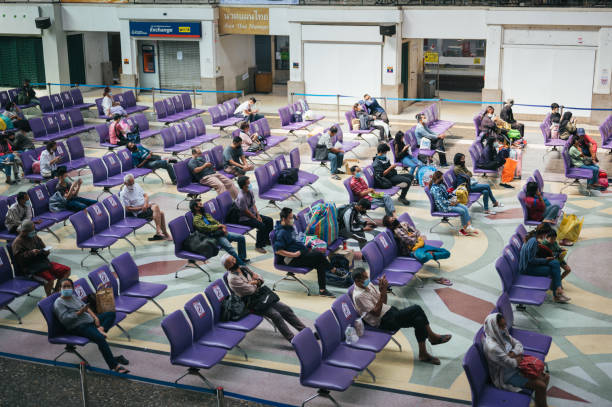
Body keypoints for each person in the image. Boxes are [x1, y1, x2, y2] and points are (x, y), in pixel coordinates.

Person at [352, 268, 451, 365]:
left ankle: (423, 353)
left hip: (389, 312)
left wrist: (384, 290)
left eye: (367, 276)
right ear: (357, 280)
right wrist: (383, 292)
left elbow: (384, 302)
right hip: (383, 321)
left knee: (419, 320)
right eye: (365, 278)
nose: (367, 279)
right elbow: (377, 313)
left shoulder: (368, 285)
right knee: (416, 309)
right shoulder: (359, 296)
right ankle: (432, 337)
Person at [223, 254, 307, 342]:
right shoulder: (232, 279)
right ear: (227, 267)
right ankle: (292, 339)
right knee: (276, 315)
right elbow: (251, 290)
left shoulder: (243, 268)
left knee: (286, 309)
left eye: (233, 259)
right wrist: (256, 282)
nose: (234, 261)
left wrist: (254, 282)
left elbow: (260, 277)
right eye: (230, 262)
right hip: (251, 302)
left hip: (260, 296)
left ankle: (304, 330)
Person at [54, 278, 129, 374]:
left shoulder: (73, 297)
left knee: (111, 314)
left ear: (72, 288)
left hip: (90, 321)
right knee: (100, 338)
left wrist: (95, 317)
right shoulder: (59, 303)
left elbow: (85, 307)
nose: (67, 288)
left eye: (69, 286)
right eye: (64, 286)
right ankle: (114, 365)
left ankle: (100, 329)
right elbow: (64, 319)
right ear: (59, 288)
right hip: (79, 326)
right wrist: (79, 312)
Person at [482, 313, 549, 407]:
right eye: (501, 326)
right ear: (493, 327)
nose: (504, 328)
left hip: (518, 367)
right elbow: (512, 363)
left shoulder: (501, 334)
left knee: (546, 377)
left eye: (504, 324)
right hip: (507, 375)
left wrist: (512, 353)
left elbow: (519, 344)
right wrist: (517, 357)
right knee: (541, 386)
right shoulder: (493, 348)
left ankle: (539, 403)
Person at [273, 207, 335, 297]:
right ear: (284, 219)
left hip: (301, 253)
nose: (292, 219)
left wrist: (294, 216)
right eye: (290, 218)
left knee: (319, 262)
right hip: (292, 259)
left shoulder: (287, 226)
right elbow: (278, 251)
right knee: (319, 254)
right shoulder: (281, 233)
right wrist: (293, 254)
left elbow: (290, 216)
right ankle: (333, 270)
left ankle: (322, 290)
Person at [382, 215, 451, 285]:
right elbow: (410, 241)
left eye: (393, 218)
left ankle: (430, 254)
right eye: (392, 221)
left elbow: (418, 232)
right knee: (423, 257)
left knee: (447, 253)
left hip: (421, 244)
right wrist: (416, 236)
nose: (394, 219)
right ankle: (430, 254)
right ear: (390, 226)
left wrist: (414, 235)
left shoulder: (404, 223)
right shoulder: (397, 231)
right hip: (412, 250)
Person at [12, 220, 71, 296]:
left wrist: (46, 252)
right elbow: (20, 260)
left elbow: (43, 247)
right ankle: (49, 297)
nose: (34, 231)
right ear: (25, 231)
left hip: (43, 263)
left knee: (66, 270)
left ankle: (56, 292)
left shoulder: (35, 237)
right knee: (50, 280)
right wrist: (31, 253)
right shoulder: (17, 243)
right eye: (32, 230)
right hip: (31, 268)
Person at [190, 198, 248, 265]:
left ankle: (242, 258)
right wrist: (219, 226)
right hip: (214, 236)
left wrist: (222, 227)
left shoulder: (206, 214)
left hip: (220, 232)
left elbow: (215, 221)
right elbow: (206, 228)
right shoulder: (196, 220)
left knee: (241, 238)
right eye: (200, 204)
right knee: (231, 249)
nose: (202, 205)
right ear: (196, 207)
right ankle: (241, 265)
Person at [519, 227, 569, 303]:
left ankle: (558, 288)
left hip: (529, 264)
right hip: (527, 268)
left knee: (555, 263)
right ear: (544, 234)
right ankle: (557, 295)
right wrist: (545, 260)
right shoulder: (533, 242)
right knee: (553, 270)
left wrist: (546, 258)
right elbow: (531, 260)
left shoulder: (533, 238)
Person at [120, 174, 171, 241]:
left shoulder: (136, 185)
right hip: (140, 212)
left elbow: (145, 195)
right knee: (157, 208)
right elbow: (128, 208)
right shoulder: (123, 194)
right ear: (125, 183)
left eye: (133, 183)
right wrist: (142, 207)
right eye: (130, 184)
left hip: (146, 207)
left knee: (160, 213)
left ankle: (162, 234)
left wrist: (146, 204)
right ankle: (160, 232)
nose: (132, 185)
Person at [430, 170, 477, 236]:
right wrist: (451, 203)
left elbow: (447, 194)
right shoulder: (435, 189)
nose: (443, 179)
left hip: (448, 203)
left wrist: (455, 198)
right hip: (443, 207)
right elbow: (441, 202)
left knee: (465, 207)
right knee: (462, 211)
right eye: (442, 178)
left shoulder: (440, 185)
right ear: (438, 179)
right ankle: (464, 229)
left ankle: (469, 227)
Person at [235, 176, 273, 254]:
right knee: (261, 225)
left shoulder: (250, 191)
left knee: (269, 220)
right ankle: (258, 246)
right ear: (243, 186)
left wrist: (258, 215)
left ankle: (266, 240)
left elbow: (253, 205)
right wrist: (255, 218)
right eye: (248, 183)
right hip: (244, 218)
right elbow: (245, 211)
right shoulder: (241, 197)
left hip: (252, 214)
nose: (250, 184)